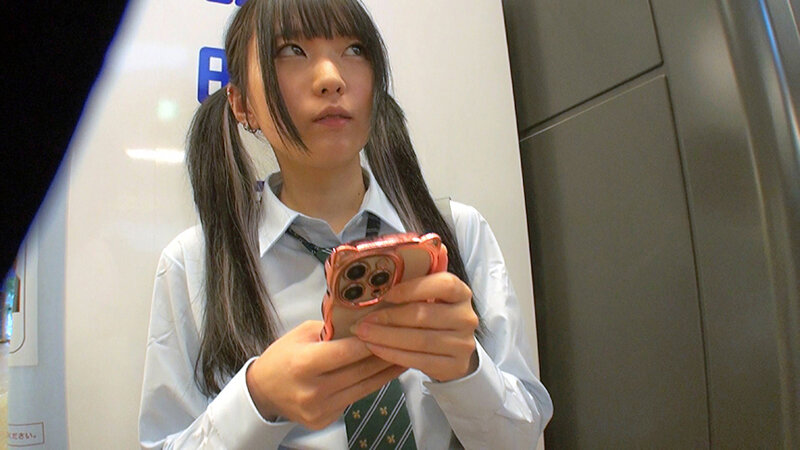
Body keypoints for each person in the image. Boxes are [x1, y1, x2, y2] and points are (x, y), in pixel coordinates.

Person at [138, 0, 553, 448]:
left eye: (354, 49)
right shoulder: (194, 264)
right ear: (242, 105)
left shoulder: (456, 232)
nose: (332, 77)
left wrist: (466, 370)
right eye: (291, 51)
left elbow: (523, 438)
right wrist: (256, 399)